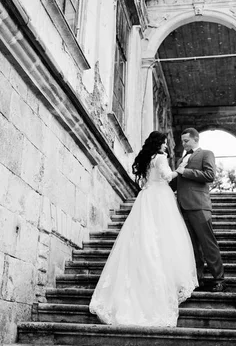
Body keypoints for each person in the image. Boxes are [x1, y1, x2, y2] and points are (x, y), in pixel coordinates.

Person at [89, 130, 198, 327]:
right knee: (163, 236)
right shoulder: (161, 157)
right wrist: (180, 168)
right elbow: (166, 176)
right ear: (159, 143)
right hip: (160, 198)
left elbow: (147, 179)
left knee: (143, 237)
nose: (166, 146)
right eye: (165, 142)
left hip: (146, 197)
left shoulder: (146, 157)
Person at [175, 127, 226, 292]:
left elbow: (210, 176)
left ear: (196, 139)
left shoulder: (206, 154)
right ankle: (199, 279)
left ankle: (219, 279)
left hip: (199, 205)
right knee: (192, 246)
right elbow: (177, 182)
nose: (183, 144)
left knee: (207, 244)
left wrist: (186, 171)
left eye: (186, 141)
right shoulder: (182, 159)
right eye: (182, 141)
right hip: (182, 207)